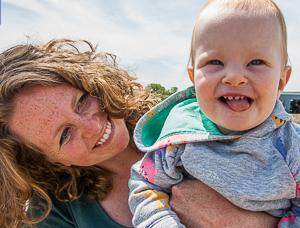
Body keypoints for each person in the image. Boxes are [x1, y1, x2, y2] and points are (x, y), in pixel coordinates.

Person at [0, 39, 278, 228]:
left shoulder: (199, 123)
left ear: (95, 82)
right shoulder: (53, 212)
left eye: (83, 101)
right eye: (64, 135)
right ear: (44, 160)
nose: (93, 127)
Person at [129, 0, 300, 227]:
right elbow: (146, 185)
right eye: (215, 62)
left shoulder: (291, 146)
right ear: (193, 77)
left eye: (256, 62)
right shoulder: (179, 137)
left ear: (281, 80)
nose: (234, 76)